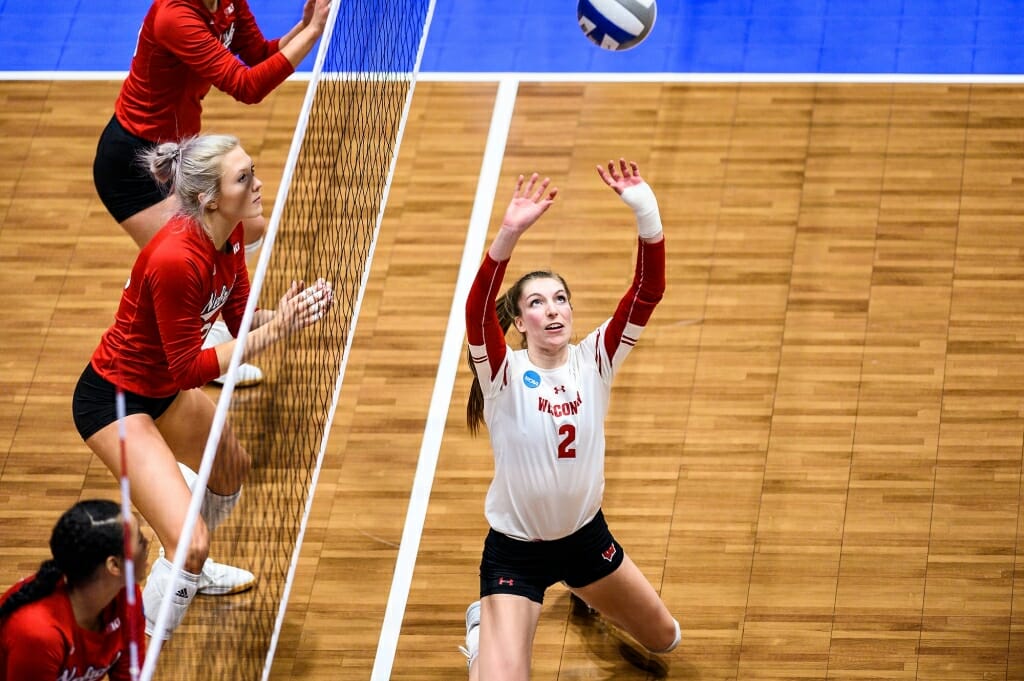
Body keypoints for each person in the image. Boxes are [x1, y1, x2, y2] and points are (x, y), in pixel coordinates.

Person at [74, 133, 334, 638]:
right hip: (116, 399)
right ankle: (137, 648)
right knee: (191, 542)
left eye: (252, 171)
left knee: (230, 468)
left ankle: (186, 559)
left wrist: (283, 316)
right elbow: (190, 370)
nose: (258, 184)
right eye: (244, 178)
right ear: (207, 197)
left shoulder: (230, 235)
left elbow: (238, 322)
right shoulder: (176, 259)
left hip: (161, 386)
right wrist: (276, 331)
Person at [459, 160, 679, 679]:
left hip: (584, 540)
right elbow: (475, 313)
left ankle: (585, 590)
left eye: (560, 299)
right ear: (518, 320)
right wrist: (509, 232)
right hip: (516, 556)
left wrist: (645, 209)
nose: (553, 311)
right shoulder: (501, 374)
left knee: (666, 641)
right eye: (537, 303)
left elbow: (649, 291)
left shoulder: (595, 359)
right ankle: (481, 629)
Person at [92, 0, 332, 386]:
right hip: (133, 166)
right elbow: (247, 86)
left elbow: (257, 55)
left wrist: (301, 29)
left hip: (179, 154)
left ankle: (215, 333)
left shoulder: (227, 3)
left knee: (249, 227)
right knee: (186, 263)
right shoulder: (175, 16)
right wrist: (314, 33)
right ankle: (204, 352)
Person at [0, 499, 149, 681]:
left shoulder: (126, 596)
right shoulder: (38, 633)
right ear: (115, 565)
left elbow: (130, 677)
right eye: (140, 540)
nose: (146, 544)